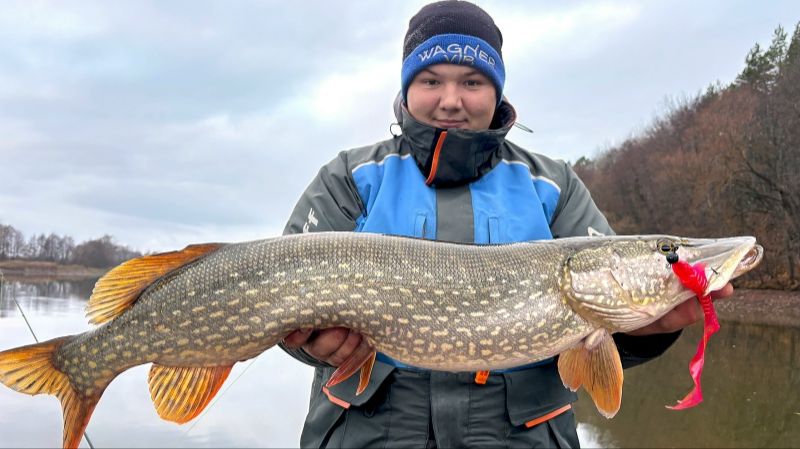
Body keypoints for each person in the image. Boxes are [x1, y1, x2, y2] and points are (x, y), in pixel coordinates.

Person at [280, 1, 734, 447]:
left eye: (472, 81)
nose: (451, 100)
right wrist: (308, 343)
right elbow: (275, 309)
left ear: (497, 90)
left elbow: (602, 332)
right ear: (406, 87)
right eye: (431, 80)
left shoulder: (553, 187)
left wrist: (651, 329)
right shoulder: (351, 178)